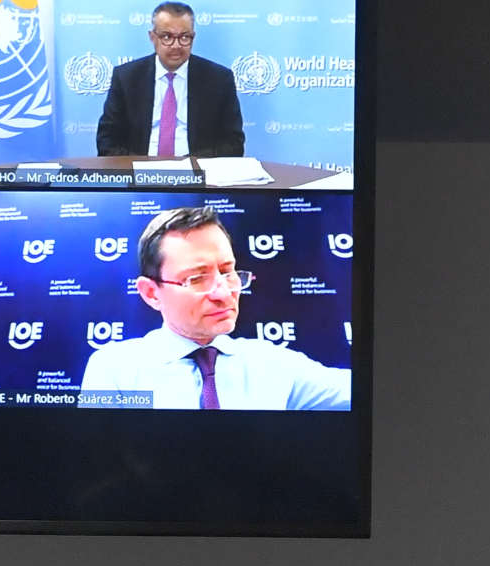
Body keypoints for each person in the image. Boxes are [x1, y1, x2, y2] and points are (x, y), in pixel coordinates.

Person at [79, 206, 349, 410]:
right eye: (196, 278)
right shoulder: (115, 370)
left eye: (227, 271)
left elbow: (374, 391)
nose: (223, 293)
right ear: (151, 293)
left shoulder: (275, 365)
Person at [92, 3, 243, 159]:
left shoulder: (219, 79)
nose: (176, 45)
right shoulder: (126, 77)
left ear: (193, 37)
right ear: (152, 37)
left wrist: (192, 166)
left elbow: (234, 144)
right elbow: (107, 141)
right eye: (167, 37)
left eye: (184, 37)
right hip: (140, 173)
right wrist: (139, 167)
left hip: (197, 173)